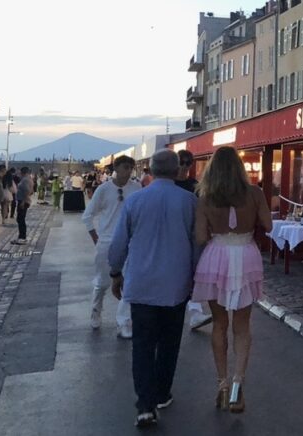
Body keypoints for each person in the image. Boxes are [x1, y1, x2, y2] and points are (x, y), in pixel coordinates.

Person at [108, 149, 197, 427]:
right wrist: (195, 276)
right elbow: (198, 244)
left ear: (152, 170)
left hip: (142, 283)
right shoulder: (189, 202)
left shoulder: (135, 201)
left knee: (143, 345)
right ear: (177, 171)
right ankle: (161, 393)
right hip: (176, 285)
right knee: (169, 343)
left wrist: (115, 272)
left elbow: (119, 242)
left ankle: (145, 404)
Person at [191, 146, 271, 415]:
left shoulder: (205, 197)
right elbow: (268, 225)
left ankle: (222, 384)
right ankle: (238, 384)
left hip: (216, 257)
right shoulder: (255, 193)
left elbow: (201, 237)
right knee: (242, 326)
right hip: (246, 255)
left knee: (219, 325)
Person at [82, 156, 142, 338]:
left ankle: (123, 321)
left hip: (130, 242)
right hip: (107, 241)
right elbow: (87, 215)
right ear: (116, 167)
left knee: (129, 282)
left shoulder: (137, 188)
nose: (129, 170)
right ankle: (95, 310)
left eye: (131, 167)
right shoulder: (104, 189)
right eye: (126, 167)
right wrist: (97, 239)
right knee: (102, 282)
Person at [173, 150, 215, 331]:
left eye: (188, 163)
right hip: (173, 235)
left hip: (193, 234)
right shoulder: (169, 185)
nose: (184, 166)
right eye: (181, 162)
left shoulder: (195, 186)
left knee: (194, 273)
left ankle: (195, 311)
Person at [12, 167, 34, 245]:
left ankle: (22, 237)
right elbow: (31, 191)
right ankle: (21, 236)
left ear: (23, 172)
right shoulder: (29, 179)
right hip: (24, 200)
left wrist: (23, 201)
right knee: (20, 218)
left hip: (23, 201)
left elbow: (27, 191)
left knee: (20, 218)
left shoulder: (25, 180)